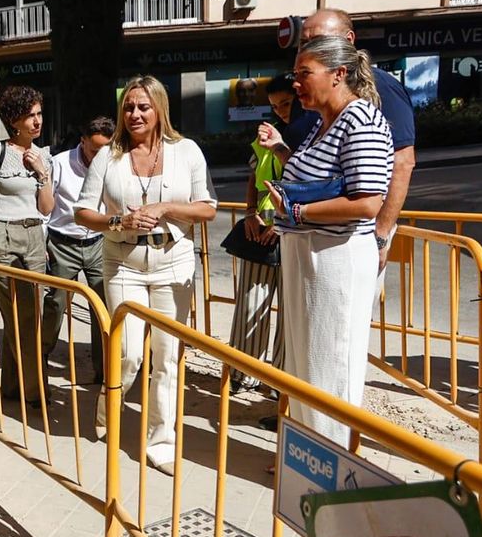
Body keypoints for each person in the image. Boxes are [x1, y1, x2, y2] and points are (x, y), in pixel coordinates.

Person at [73, 76, 217, 475]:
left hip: (172, 260)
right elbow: (83, 212)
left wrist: (168, 208)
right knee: (128, 352)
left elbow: (207, 209)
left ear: (159, 110)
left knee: (168, 358)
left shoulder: (185, 151)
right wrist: (120, 219)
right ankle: (108, 411)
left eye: (143, 107)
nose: (135, 114)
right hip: (123, 262)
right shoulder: (109, 156)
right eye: (129, 107)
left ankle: (161, 442)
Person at [257, 35, 394, 447]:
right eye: (296, 73)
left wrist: (297, 212)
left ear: (338, 75)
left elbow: (368, 201)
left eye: (304, 74)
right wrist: (282, 154)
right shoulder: (323, 122)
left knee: (329, 370)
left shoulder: (362, 121)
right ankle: (306, 458)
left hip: (334, 262)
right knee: (305, 366)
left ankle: (329, 468)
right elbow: (316, 178)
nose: (295, 83)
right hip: (308, 257)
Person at [293, 9, 414, 273]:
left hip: (343, 249)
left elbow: (402, 162)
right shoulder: (317, 103)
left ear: (348, 39)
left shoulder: (371, 102)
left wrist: (380, 236)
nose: (311, 46)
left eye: (319, 39)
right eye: (305, 41)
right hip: (314, 248)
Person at [0, 85, 55, 403]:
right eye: (29, 116)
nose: (36, 121)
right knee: (17, 315)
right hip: (4, 235)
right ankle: (35, 390)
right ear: (14, 121)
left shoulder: (43, 155)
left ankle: (11, 386)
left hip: (35, 236)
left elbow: (47, 207)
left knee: (31, 314)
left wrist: (41, 173)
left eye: (38, 114)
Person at [228, 76, 296, 396]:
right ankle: (244, 373)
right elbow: (255, 174)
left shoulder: (311, 131)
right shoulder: (266, 135)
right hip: (263, 227)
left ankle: (281, 382)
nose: (281, 111)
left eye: (286, 103)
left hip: (296, 229)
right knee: (252, 302)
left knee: (291, 312)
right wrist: (251, 211)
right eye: (274, 106)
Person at [40, 116, 115, 384]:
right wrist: (44, 241)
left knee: (103, 304)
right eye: (94, 150)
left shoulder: (112, 163)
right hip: (63, 242)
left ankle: (105, 369)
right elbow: (46, 208)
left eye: (104, 151)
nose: (98, 157)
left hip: (97, 242)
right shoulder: (59, 163)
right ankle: (42, 356)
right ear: (82, 141)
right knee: (56, 302)